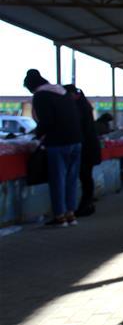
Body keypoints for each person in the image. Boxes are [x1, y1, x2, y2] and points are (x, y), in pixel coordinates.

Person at [24, 69, 82, 227]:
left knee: (58, 180)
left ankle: (60, 217)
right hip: (76, 140)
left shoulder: (41, 96)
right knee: (71, 179)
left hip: (58, 142)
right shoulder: (62, 92)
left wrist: (37, 134)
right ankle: (71, 214)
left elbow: (46, 121)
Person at [63, 85, 101, 217]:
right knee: (86, 177)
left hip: (86, 147)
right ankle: (87, 204)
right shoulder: (84, 105)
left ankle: (86, 204)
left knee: (85, 177)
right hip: (88, 146)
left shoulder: (79, 107)